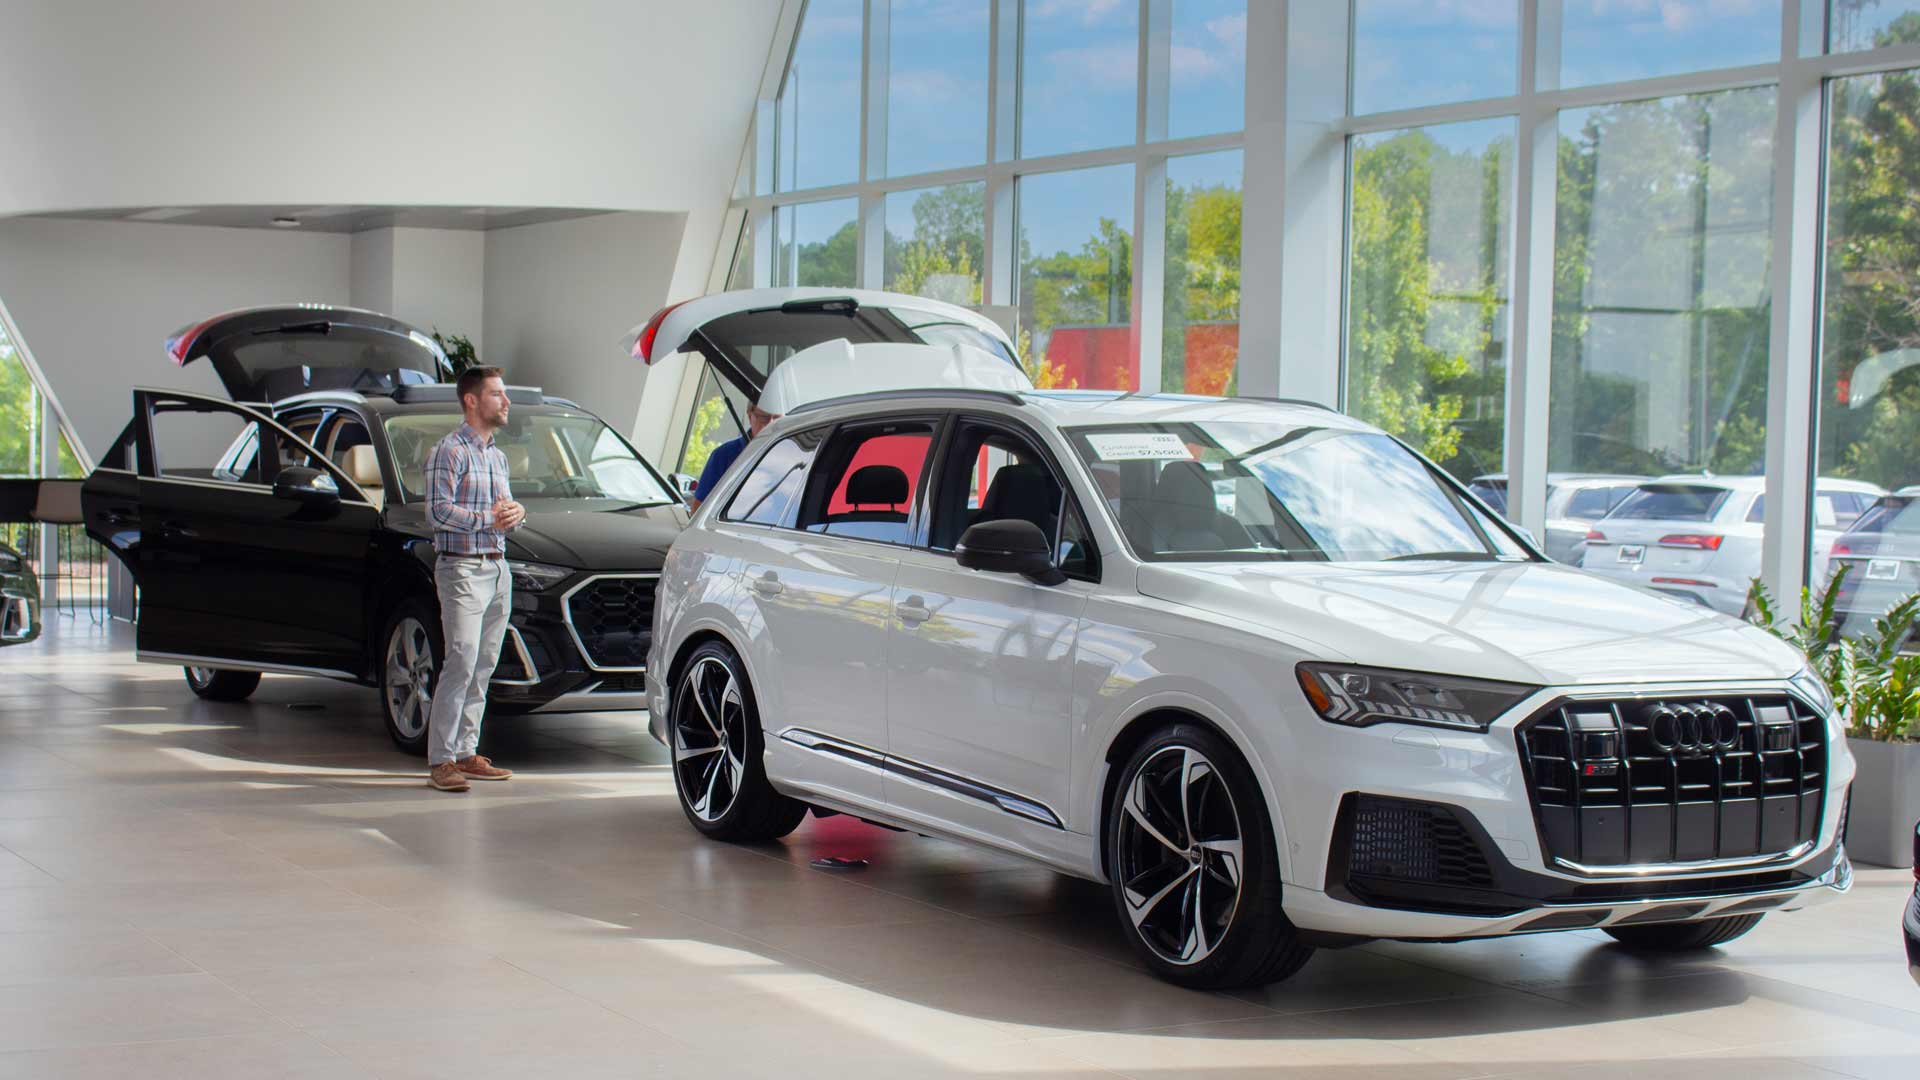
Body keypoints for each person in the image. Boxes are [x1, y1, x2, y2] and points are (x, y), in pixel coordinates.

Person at [421, 366, 525, 792]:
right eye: (497, 394)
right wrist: (490, 520)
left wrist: (517, 515)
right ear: (471, 400)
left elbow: (504, 515)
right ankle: (441, 760)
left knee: (483, 664)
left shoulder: (496, 457)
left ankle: (467, 752)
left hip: (498, 568)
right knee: (461, 658)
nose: (506, 402)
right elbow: (437, 512)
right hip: (462, 568)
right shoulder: (450, 451)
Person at [688, 400, 782, 510]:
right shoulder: (723, 456)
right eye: (763, 418)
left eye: (777, 418)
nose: (771, 424)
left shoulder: (794, 455)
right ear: (749, 415)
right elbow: (698, 508)